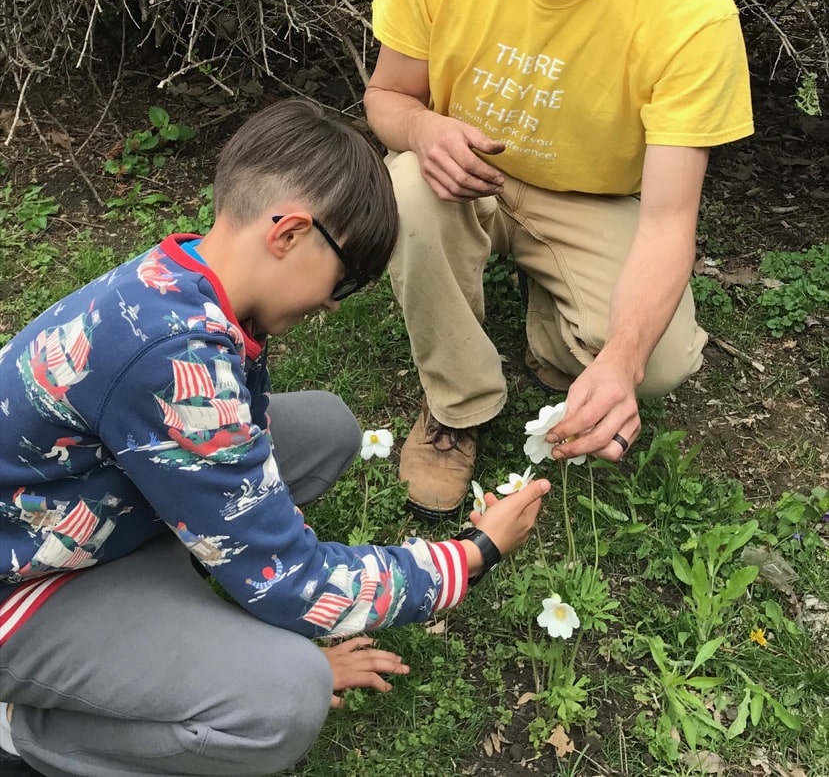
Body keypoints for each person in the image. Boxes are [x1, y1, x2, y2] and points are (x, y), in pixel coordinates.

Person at [0, 100, 550, 777]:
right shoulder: (170, 360)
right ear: (289, 233)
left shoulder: (180, 280)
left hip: (79, 511)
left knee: (324, 430)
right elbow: (289, 580)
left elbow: (238, 456)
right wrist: (471, 555)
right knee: (285, 698)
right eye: (343, 281)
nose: (331, 305)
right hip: (25, 580)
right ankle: (30, 731)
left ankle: (171, 605)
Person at [364, 0, 754, 519]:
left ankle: (556, 336)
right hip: (463, 180)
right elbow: (387, 98)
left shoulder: (691, 11)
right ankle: (456, 405)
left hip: (594, 201)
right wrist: (426, 131)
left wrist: (617, 359)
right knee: (405, 186)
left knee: (656, 366)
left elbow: (670, 217)